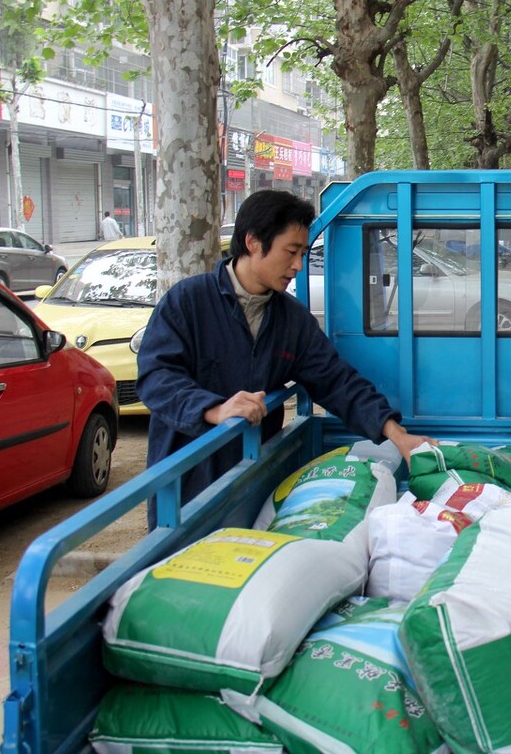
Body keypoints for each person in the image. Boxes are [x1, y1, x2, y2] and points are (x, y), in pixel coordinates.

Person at [137, 189, 432, 530]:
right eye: (291, 252)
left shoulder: (291, 320)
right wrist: (213, 409)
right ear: (252, 241)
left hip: (251, 475)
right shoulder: (187, 302)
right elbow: (156, 377)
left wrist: (397, 434)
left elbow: (337, 381)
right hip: (185, 478)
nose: (298, 265)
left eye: (303, 253)